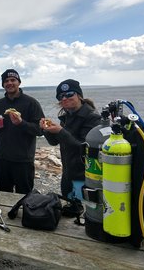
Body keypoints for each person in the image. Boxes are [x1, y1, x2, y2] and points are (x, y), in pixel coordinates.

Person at [40, 79, 100, 215]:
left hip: (85, 176)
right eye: (61, 96)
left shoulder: (92, 118)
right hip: (67, 173)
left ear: (79, 95)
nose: (65, 98)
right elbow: (54, 142)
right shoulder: (66, 117)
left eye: (69, 94)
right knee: (71, 212)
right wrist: (46, 130)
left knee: (89, 213)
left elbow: (85, 148)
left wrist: (61, 131)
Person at [0, 69, 44, 194]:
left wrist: (21, 123)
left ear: (19, 82)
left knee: (24, 197)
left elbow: (40, 130)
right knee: (3, 195)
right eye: (6, 81)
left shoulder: (31, 103)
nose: (9, 83)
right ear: (3, 85)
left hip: (23, 160)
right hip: (1, 159)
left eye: (13, 80)